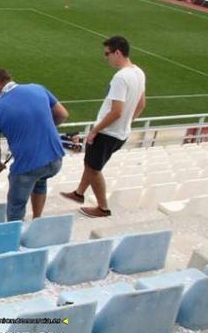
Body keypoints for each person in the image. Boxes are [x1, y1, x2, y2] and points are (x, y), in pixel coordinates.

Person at [61, 36, 146, 218]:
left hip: (107, 133)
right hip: (120, 133)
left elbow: (116, 111)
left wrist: (95, 130)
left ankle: (102, 208)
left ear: (118, 52)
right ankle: (79, 193)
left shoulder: (121, 77)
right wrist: (128, 123)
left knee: (94, 169)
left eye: (107, 54)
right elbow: (141, 104)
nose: (106, 58)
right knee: (90, 162)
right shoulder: (139, 72)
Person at [0, 68, 68, 221]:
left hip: (28, 167)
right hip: (55, 160)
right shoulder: (38, 88)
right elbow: (63, 115)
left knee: (16, 205)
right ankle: (37, 220)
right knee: (40, 181)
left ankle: (13, 238)